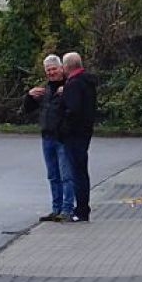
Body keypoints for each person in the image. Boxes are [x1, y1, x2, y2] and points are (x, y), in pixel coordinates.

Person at [22, 54, 74, 222]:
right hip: (47, 137)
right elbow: (26, 110)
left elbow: (77, 107)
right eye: (48, 70)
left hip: (63, 138)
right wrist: (29, 96)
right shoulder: (44, 90)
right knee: (53, 176)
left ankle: (67, 209)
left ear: (61, 68)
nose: (51, 72)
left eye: (54, 69)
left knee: (66, 176)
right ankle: (56, 208)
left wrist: (68, 93)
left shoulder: (70, 87)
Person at [60, 51, 98, 223]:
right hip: (85, 131)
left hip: (74, 134)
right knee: (81, 170)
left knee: (77, 172)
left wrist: (63, 129)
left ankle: (81, 210)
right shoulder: (87, 82)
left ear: (67, 66)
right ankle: (83, 207)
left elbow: (72, 110)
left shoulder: (74, 84)